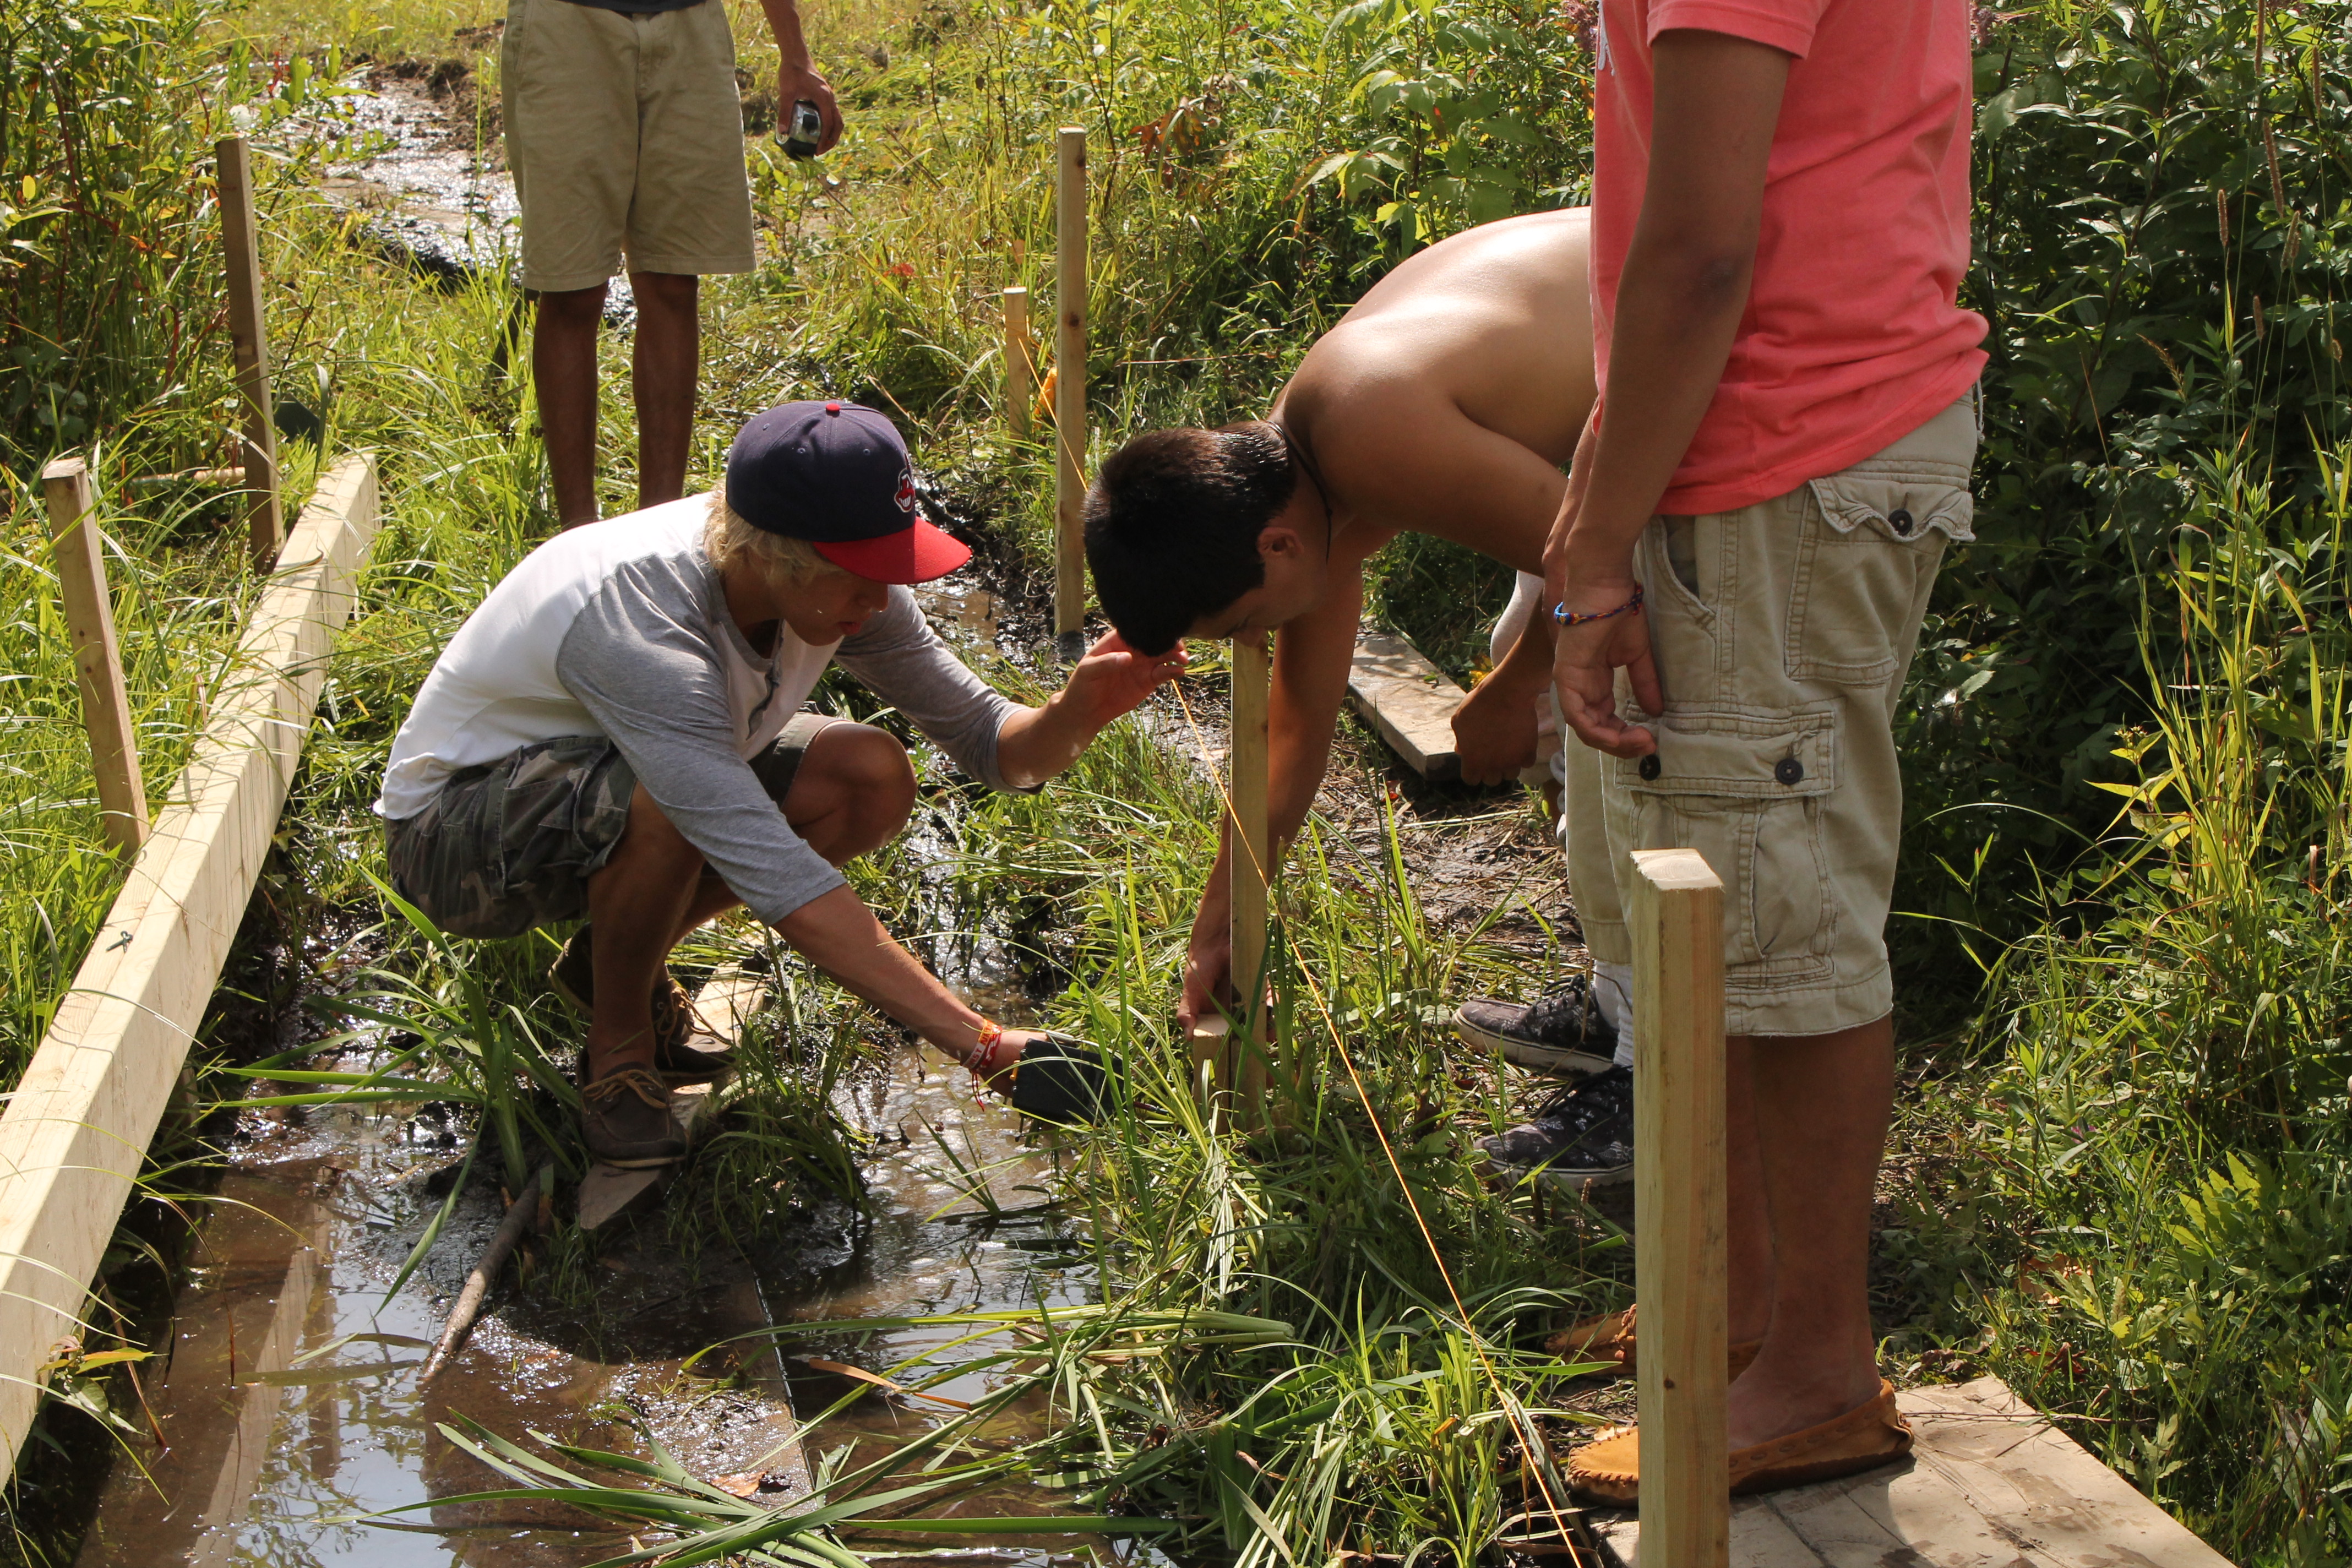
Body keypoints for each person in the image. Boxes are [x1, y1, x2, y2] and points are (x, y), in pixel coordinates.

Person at [1524, 0, 1987, 1502]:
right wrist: (1602, 495)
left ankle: (1815, 1370)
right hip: (1732, 442)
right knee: (1697, 925)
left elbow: (1704, 246)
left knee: (1779, 929)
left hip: (1779, 443)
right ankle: (1729, 1317)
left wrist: (1601, 541)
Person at [375, 401, 1185, 1164]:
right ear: (771, 554)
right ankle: (618, 1055)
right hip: (456, 840)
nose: (882, 599)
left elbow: (987, 741)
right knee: (669, 805)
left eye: (890, 567)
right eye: (859, 575)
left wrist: (1075, 712)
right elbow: (772, 870)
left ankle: (611, 963)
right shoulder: (647, 624)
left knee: (868, 777)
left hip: (611, 783)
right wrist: (980, 1044)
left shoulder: (835, 586)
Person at [1082, 210, 1624, 1069]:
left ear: (1277, 549)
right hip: (1625, 407)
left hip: (1739, 349)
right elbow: (1295, 733)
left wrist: (1513, 694)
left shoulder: (1369, 434)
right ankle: (1620, 989)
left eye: (1246, 626)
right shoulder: (1293, 471)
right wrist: (1219, 922)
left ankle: (1657, 1044)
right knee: (1534, 648)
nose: (1264, 638)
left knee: (1611, 692)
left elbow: (1601, 571)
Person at [502, 0, 841, 526]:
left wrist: (795, 55)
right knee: (572, 290)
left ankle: (657, 528)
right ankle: (576, 536)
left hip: (690, 27)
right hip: (568, 25)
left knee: (673, 282)